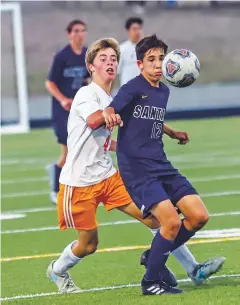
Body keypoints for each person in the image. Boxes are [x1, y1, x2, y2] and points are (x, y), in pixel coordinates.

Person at [100, 34, 225, 295]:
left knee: (199, 215)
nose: (158, 65)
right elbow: (112, 110)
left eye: (161, 59)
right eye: (151, 60)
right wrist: (109, 116)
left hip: (161, 164)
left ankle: (154, 254)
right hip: (137, 168)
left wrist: (171, 132)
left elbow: (150, 120)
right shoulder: (132, 88)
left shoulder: (164, 90)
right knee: (170, 223)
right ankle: (151, 282)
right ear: (140, 64)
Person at [45, 19, 90, 204]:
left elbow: (90, 78)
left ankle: (68, 183)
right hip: (63, 110)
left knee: (79, 150)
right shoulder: (62, 56)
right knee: (70, 149)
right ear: (69, 34)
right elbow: (50, 82)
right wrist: (63, 99)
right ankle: (56, 189)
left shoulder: (88, 54)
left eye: (82, 30)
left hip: (81, 109)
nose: (80, 34)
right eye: (76, 31)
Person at [118, 17, 143, 87]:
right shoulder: (122, 49)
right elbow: (116, 72)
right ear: (128, 31)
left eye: (139, 29)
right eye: (134, 29)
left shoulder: (147, 49)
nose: (138, 32)